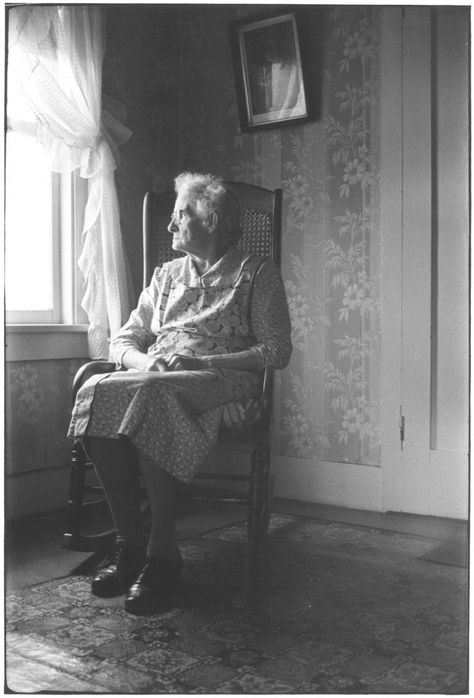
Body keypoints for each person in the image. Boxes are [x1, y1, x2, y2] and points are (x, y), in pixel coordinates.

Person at [68, 172, 292, 615]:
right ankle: (129, 545)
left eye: (180, 216)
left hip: (221, 376)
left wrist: (203, 363)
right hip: (158, 374)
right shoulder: (166, 276)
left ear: (210, 221)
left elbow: (276, 350)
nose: (170, 228)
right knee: (97, 389)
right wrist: (145, 362)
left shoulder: (257, 274)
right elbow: (123, 340)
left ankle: (164, 552)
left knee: (156, 395)